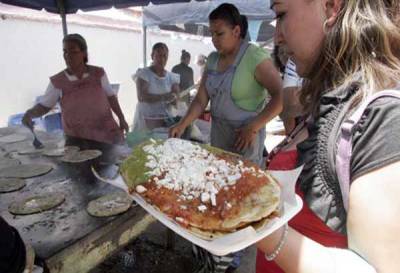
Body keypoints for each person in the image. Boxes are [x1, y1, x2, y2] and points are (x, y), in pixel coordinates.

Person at [256, 1, 400, 273]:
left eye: (281, 14)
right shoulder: (329, 103)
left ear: (331, 7)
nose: (277, 35)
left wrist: (254, 225)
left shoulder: (383, 118)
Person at [170, 3, 282, 272]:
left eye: (219, 33)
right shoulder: (211, 60)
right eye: (211, 34)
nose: (214, 40)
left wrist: (254, 126)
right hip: (220, 136)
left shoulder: (255, 58)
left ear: (236, 30)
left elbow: (280, 97)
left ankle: (236, 257)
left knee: (242, 199)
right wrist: (183, 124)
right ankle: (218, 250)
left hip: (245, 138)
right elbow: (201, 99)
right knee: (218, 192)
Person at [22, 34, 128, 151]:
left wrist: (121, 118)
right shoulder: (58, 81)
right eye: (65, 52)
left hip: (106, 134)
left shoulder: (98, 74)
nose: (68, 56)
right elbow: (44, 106)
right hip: (78, 139)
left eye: (73, 51)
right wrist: (29, 114)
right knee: (81, 167)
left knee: (112, 166)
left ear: (84, 53)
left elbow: (111, 97)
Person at [132, 42, 180, 132]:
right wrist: (165, 97)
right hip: (145, 121)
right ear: (152, 56)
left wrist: (174, 98)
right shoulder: (144, 74)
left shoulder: (172, 77)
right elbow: (141, 97)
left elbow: (175, 102)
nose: (161, 59)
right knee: (144, 144)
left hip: (163, 121)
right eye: (158, 55)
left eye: (164, 56)